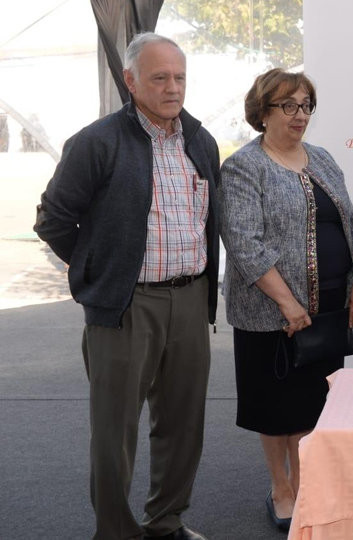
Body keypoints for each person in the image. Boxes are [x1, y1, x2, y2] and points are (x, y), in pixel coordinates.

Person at [33, 33, 218, 540]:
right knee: (115, 432)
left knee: (183, 425)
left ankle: (166, 522)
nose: (172, 87)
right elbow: (53, 219)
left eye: (179, 77)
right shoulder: (96, 142)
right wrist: (101, 271)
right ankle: (115, 531)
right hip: (124, 305)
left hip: (189, 299)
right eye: (159, 78)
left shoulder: (200, 141)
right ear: (130, 81)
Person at [219, 69, 353, 531]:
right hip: (270, 312)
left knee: (309, 405)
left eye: (305, 105)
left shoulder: (321, 158)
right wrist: (287, 302)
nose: (299, 115)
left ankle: (305, 487)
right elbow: (244, 242)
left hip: (326, 308)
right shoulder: (245, 166)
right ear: (262, 112)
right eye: (288, 106)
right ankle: (280, 487)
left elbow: (352, 223)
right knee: (275, 406)